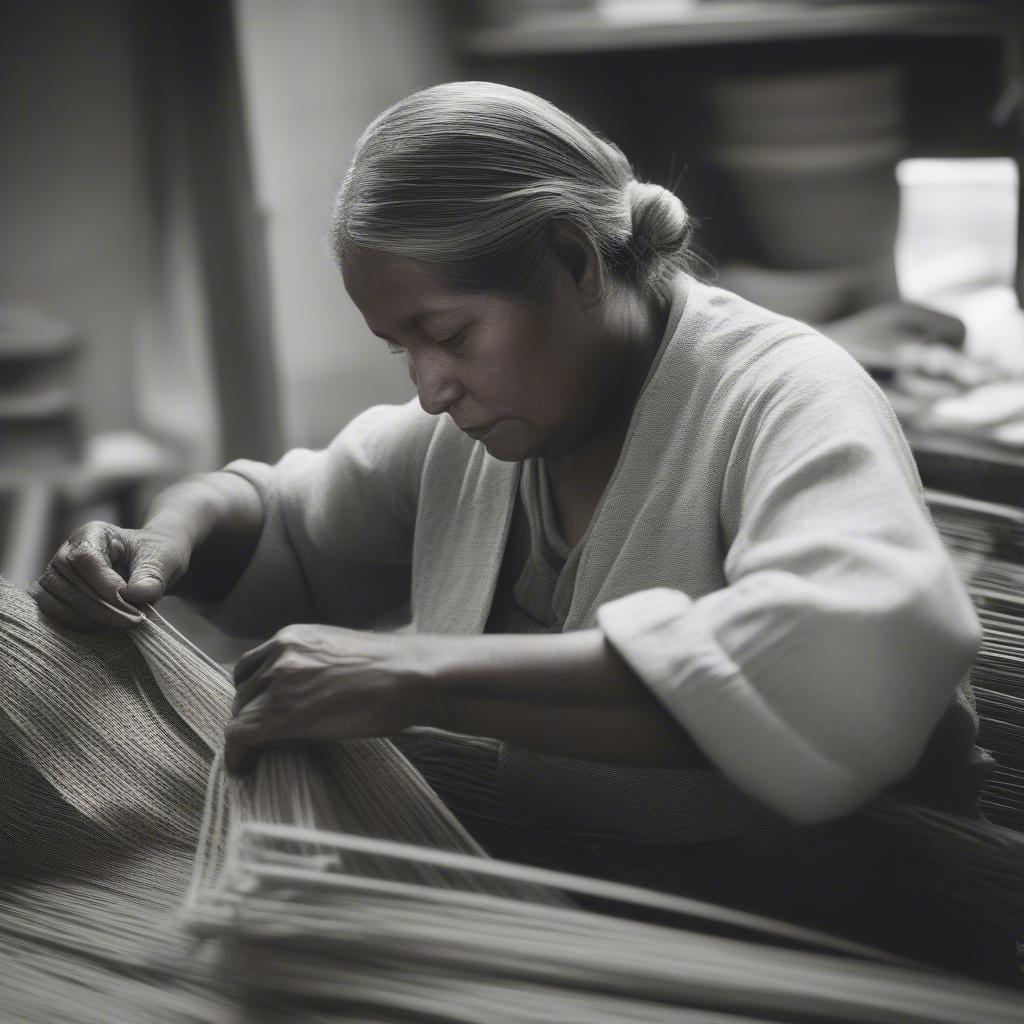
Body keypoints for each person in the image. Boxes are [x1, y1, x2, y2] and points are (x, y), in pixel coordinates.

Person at [32, 81, 1005, 975]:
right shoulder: (478, 431)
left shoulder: (783, 391)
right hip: (617, 904)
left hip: (855, 917)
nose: (428, 384)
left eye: (450, 334)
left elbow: (844, 648)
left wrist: (413, 673)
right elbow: (292, 516)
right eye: (401, 346)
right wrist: (163, 540)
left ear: (575, 260)